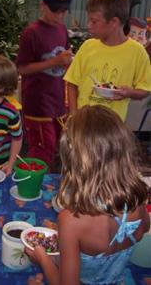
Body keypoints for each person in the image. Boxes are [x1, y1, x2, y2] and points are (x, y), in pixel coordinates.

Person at [25, 105, 150, 285]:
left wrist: (43, 260)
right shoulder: (138, 201)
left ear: (74, 163)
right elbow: (144, 229)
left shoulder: (71, 220)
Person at [64, 0, 151, 121]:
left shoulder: (137, 52)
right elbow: (72, 83)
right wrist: (74, 115)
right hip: (83, 122)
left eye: (94, 21)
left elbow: (145, 90)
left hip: (113, 127)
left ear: (114, 22)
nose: (89, 25)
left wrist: (129, 93)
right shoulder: (88, 46)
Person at [16, 0, 74, 169]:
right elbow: (22, 69)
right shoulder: (31, 32)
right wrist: (55, 61)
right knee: (42, 148)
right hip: (38, 103)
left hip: (58, 100)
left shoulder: (62, 30)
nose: (60, 16)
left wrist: (68, 61)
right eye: (55, 10)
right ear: (43, 6)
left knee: (60, 146)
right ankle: (33, 188)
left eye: (64, 11)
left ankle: (50, 185)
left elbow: (63, 58)